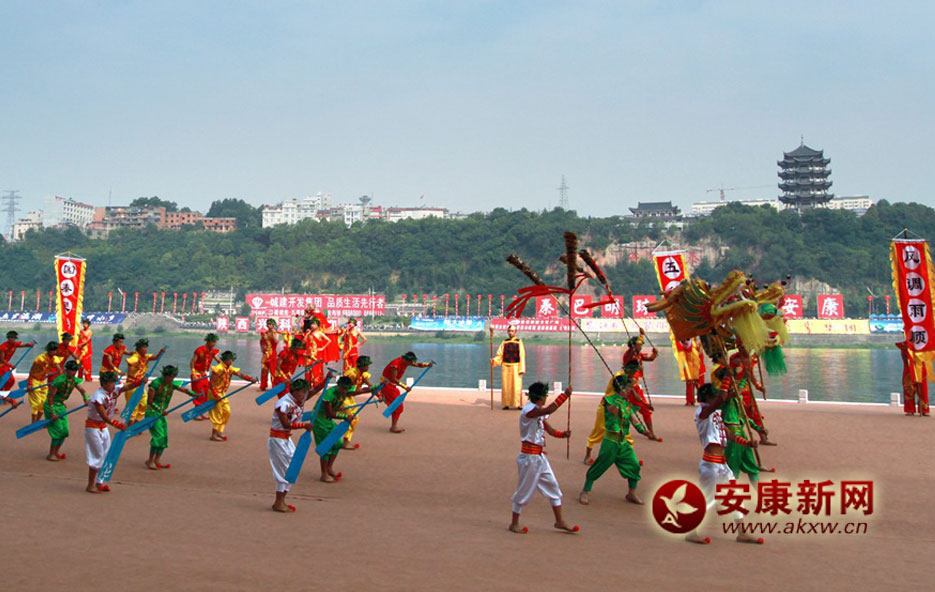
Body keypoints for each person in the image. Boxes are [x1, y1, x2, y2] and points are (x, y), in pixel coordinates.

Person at [685, 383, 763, 545]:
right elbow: (721, 397)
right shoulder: (702, 412)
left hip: (722, 463)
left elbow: (727, 433)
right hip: (710, 464)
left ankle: (742, 533)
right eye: (713, 396)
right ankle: (691, 531)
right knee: (707, 499)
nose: (716, 398)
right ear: (708, 398)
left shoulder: (716, 413)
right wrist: (727, 376)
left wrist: (746, 443)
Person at [509, 381, 577, 534]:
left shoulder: (538, 412)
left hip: (539, 457)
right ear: (541, 397)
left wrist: (562, 435)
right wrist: (565, 395)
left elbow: (549, 430)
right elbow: (550, 409)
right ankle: (514, 523)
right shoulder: (529, 411)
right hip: (529, 459)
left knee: (553, 487)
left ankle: (559, 521)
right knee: (523, 491)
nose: (546, 398)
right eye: (546, 395)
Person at [579, 374, 652, 506]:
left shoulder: (626, 403)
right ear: (621, 388)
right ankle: (585, 491)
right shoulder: (609, 399)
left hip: (623, 442)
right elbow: (613, 411)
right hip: (610, 441)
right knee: (599, 466)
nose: (630, 390)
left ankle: (631, 493)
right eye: (628, 387)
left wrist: (645, 432)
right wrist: (619, 398)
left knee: (634, 465)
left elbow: (634, 420)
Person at [269, 378, 325, 512]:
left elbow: (314, 391)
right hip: (277, 439)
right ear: (294, 391)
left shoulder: (298, 400)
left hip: (286, 439)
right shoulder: (284, 404)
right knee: (284, 470)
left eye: (304, 392)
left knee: (293, 467)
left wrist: (325, 380)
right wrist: (303, 426)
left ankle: (281, 500)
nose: (303, 395)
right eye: (301, 392)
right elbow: (286, 425)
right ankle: (278, 502)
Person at [313, 375, 374, 483]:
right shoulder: (329, 394)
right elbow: (330, 413)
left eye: (347, 389)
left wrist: (377, 387)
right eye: (343, 389)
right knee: (327, 447)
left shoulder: (345, 391)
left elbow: (361, 391)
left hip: (328, 421)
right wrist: (345, 416)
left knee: (338, 444)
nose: (345, 391)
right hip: (319, 421)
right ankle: (324, 474)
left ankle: (329, 468)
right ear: (339, 386)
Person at [144, 365, 198, 470]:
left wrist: (194, 394)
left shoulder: (171, 383)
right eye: (170, 377)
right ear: (165, 376)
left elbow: (183, 389)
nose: (172, 379)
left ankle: (157, 460)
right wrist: (160, 410)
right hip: (152, 413)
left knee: (164, 437)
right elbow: (149, 401)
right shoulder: (155, 384)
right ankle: (150, 461)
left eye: (173, 377)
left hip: (162, 413)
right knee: (158, 437)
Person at [84, 371, 128, 493]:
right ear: (104, 383)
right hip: (93, 427)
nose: (113, 385)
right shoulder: (98, 397)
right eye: (111, 383)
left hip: (103, 427)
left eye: (114, 382)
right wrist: (117, 424)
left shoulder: (113, 391)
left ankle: (100, 482)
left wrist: (139, 383)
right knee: (97, 456)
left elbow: (126, 387)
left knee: (106, 454)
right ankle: (90, 485)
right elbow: (104, 415)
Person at [44, 360, 89, 462]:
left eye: (75, 371)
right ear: (66, 370)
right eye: (72, 370)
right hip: (51, 406)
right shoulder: (59, 381)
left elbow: (82, 391)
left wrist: (86, 399)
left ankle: (56, 452)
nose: (74, 373)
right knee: (58, 431)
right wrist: (53, 413)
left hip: (60, 405)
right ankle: (51, 454)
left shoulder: (74, 380)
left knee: (64, 431)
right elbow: (50, 398)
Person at [583, 369, 629, 465]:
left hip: (621, 405)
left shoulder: (632, 378)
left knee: (624, 431)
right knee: (599, 430)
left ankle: (627, 457)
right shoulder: (618, 376)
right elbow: (612, 393)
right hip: (608, 404)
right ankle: (587, 455)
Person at [380, 351, 434, 433]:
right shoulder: (395, 365)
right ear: (405, 360)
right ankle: (393, 427)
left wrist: (427, 364)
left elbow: (418, 365)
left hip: (392, 386)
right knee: (398, 406)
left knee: (397, 406)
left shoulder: (405, 362)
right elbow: (394, 378)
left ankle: (393, 425)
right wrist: (405, 387)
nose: (411, 364)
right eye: (410, 362)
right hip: (387, 386)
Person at [208, 351, 255, 442]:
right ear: (226, 360)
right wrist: (215, 395)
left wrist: (250, 379)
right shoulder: (218, 369)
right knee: (218, 413)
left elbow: (240, 374)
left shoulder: (229, 368)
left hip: (221, 393)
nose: (231, 362)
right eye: (230, 360)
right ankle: (213, 435)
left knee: (227, 412)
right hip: (214, 393)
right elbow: (211, 383)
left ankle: (220, 431)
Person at [622, 331, 659, 437]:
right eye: (640, 345)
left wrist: (655, 353)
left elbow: (651, 358)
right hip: (629, 387)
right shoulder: (629, 355)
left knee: (643, 411)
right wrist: (641, 335)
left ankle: (650, 432)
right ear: (633, 346)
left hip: (635, 386)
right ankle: (649, 433)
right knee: (636, 410)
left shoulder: (638, 355)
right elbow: (637, 347)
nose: (641, 347)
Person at [124, 339, 166, 424]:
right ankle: (129, 424)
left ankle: (137, 422)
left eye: (146, 347)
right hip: (132, 385)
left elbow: (155, 358)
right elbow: (130, 374)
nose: (146, 349)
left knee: (144, 403)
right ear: (139, 348)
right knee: (133, 406)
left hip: (140, 385)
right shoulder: (134, 358)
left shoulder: (145, 357)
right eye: (144, 347)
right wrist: (140, 379)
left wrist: (160, 353)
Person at [341, 355, 374, 449]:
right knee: (351, 417)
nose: (368, 367)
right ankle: (345, 442)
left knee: (354, 418)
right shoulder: (351, 374)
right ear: (362, 365)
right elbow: (347, 391)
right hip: (342, 397)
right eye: (367, 365)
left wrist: (378, 393)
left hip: (349, 397)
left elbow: (369, 384)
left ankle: (346, 440)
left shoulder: (362, 374)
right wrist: (365, 391)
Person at [491, 324, 526, 410]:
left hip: (515, 367)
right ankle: (506, 404)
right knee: (506, 386)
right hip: (506, 367)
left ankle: (518, 404)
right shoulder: (504, 342)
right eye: (509, 331)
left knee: (516, 386)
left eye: (512, 331)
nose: (510, 333)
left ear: (515, 332)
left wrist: (521, 368)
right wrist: (494, 360)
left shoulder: (518, 342)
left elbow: (522, 355)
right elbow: (500, 354)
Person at [27, 342, 63, 423]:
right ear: (48, 351)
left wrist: (60, 377)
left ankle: (37, 421)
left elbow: (59, 371)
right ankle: (33, 423)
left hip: (43, 380)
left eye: (55, 350)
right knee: (36, 403)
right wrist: (29, 383)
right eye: (52, 351)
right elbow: (31, 372)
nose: (54, 352)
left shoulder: (55, 358)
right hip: (35, 380)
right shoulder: (39, 359)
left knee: (43, 403)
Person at [190, 334, 220, 421]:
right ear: (208, 342)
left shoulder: (212, 351)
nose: (214, 344)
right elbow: (192, 362)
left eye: (215, 342)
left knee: (206, 393)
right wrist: (193, 373)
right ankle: (195, 413)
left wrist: (225, 366)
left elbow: (218, 360)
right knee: (199, 393)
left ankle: (200, 412)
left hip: (204, 374)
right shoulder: (199, 350)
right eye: (213, 342)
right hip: (197, 374)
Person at [897, 339, 930, 416]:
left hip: (920, 369)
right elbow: (904, 357)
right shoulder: (904, 345)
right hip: (909, 369)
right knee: (908, 389)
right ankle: (910, 409)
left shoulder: (923, 343)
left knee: (923, 390)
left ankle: (924, 409)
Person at [675, 337, 705, 406]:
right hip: (690, 366)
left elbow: (701, 354)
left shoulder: (697, 343)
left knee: (699, 385)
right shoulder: (684, 342)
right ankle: (690, 400)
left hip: (698, 367)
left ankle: (701, 400)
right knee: (690, 385)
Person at [259, 319, 281, 391]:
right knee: (264, 370)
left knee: (273, 371)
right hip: (265, 355)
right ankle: (263, 386)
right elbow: (261, 341)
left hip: (272, 355)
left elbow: (276, 341)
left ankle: (274, 386)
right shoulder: (264, 333)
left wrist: (272, 334)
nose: (269, 326)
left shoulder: (276, 333)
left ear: (273, 325)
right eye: (268, 324)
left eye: (270, 324)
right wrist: (262, 349)